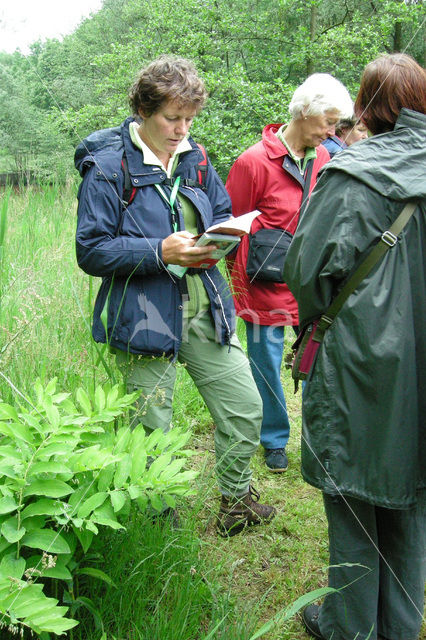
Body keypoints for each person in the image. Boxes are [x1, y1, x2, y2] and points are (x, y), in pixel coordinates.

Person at [74, 55, 275, 537]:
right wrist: (158, 251)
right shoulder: (106, 168)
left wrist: (219, 240)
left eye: (189, 118)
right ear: (143, 110)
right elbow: (91, 250)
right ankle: (158, 524)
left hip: (203, 308)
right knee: (151, 431)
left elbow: (222, 208)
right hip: (142, 316)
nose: (182, 129)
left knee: (245, 405)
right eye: (171, 117)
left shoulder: (196, 157)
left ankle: (236, 499)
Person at [283, 53, 426, 639]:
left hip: (362, 363)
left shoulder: (352, 173)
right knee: (412, 497)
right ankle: (399, 625)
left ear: (367, 105)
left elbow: (306, 272)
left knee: (353, 495)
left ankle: (348, 628)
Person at [225, 74, 353, 473]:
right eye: (328, 122)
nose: (332, 132)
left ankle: (320, 443)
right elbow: (233, 228)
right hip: (263, 286)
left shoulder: (325, 160)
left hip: (310, 284)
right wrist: (239, 291)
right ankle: (274, 438)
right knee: (266, 364)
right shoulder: (253, 161)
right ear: (303, 112)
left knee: (318, 364)